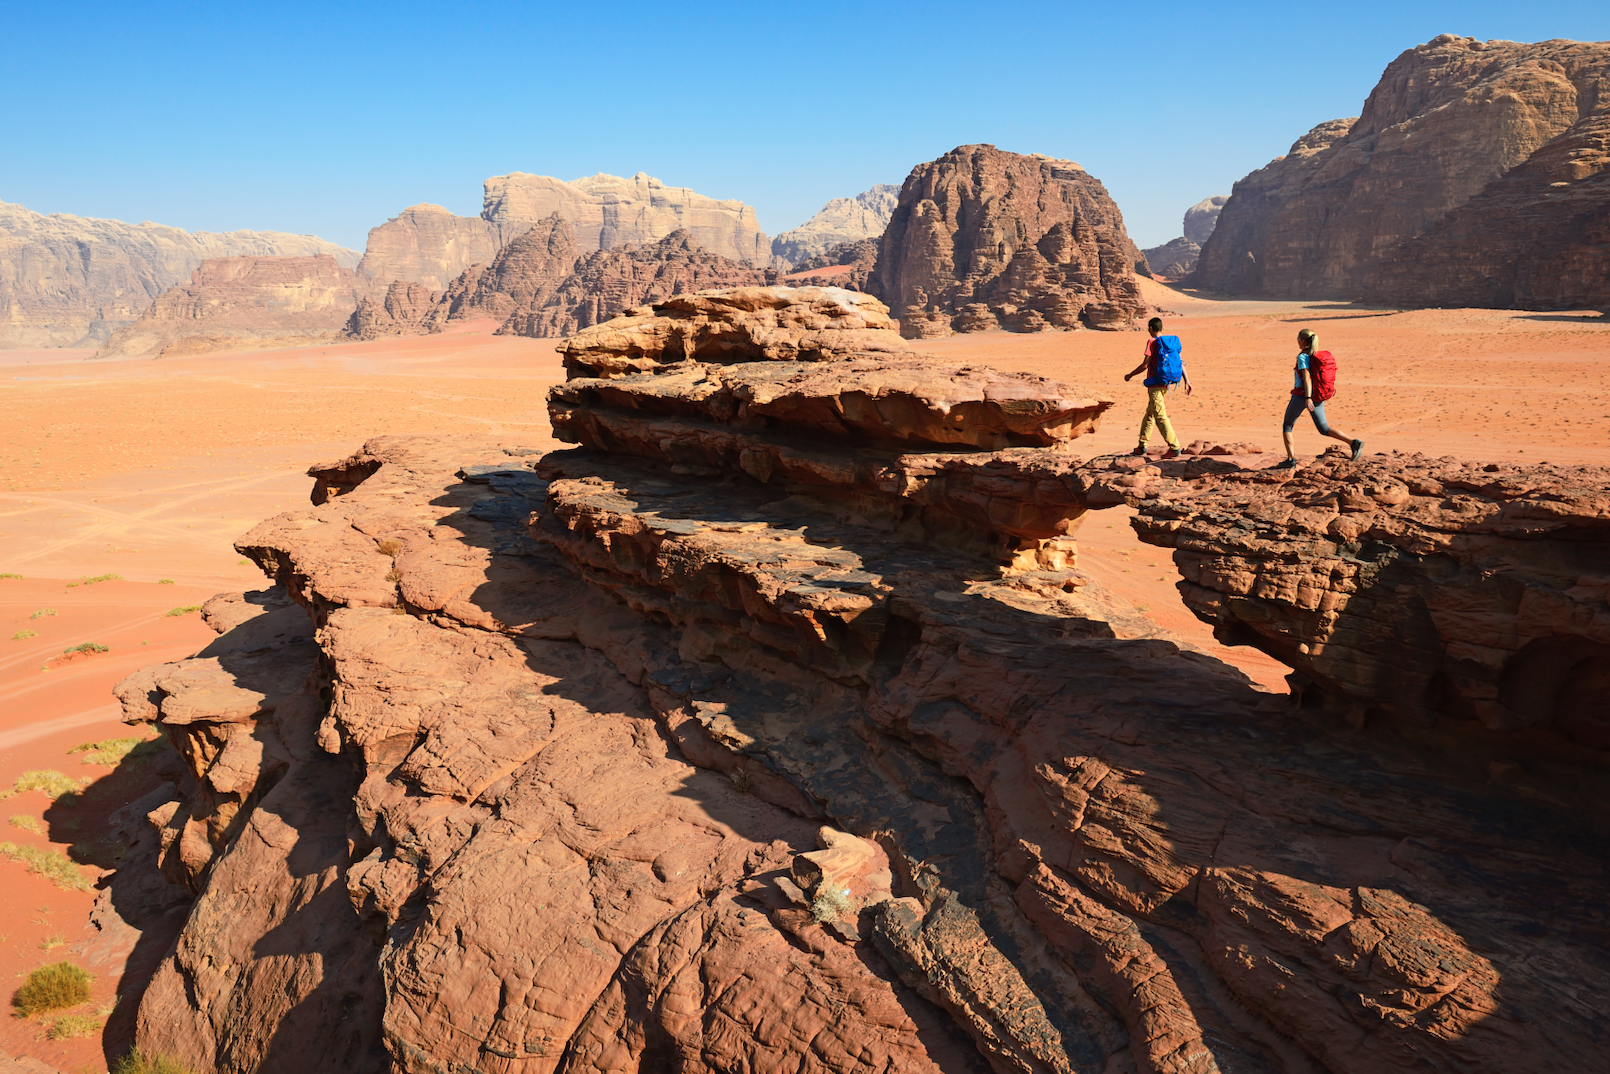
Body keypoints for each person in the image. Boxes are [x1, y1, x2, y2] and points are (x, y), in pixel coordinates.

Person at [1275, 328, 1362, 469]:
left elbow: (1307, 377)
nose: (1297, 342)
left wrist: (1307, 397)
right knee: (1323, 428)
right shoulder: (1316, 356)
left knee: (1287, 425)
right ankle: (1353, 442)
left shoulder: (1303, 357)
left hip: (1302, 396)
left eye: (1298, 340)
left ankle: (1290, 460)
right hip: (1317, 396)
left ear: (1303, 341)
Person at [1123, 316, 1192, 458]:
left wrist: (1130, 375)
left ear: (1151, 329)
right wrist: (1187, 381)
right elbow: (1179, 362)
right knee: (1150, 414)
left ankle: (1174, 447)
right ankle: (1142, 446)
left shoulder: (1152, 342)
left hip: (1154, 384)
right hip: (1165, 383)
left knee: (1160, 416)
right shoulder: (1170, 343)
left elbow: (1145, 365)